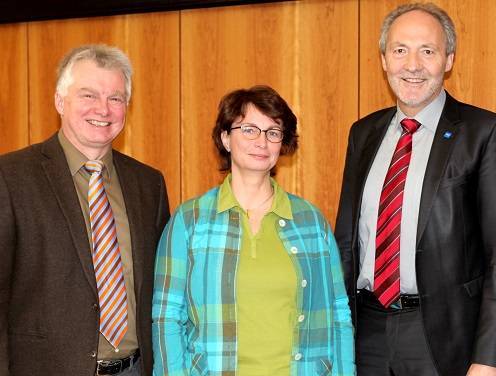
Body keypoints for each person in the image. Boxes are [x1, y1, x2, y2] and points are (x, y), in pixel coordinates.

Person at [335, 3, 496, 375]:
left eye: (428, 51)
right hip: (366, 330)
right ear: (385, 60)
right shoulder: (363, 133)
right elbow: (346, 239)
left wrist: (488, 358)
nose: (413, 65)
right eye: (400, 50)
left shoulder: (485, 133)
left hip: (441, 337)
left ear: (449, 59)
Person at [152, 85, 354, 375]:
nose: (262, 142)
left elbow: (338, 313)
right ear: (226, 138)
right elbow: (167, 317)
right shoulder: (190, 221)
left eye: (273, 132)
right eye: (249, 129)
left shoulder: (310, 221)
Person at [0, 44, 170, 376]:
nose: (103, 109)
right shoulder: (11, 177)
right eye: (88, 95)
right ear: (60, 101)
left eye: (115, 98)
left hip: (135, 369)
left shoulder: (149, 184)